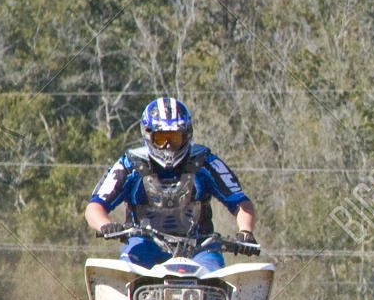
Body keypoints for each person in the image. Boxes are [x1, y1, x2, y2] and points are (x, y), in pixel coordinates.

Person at [85, 97, 256, 269]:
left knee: (217, 278)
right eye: (161, 138)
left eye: (174, 138)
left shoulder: (206, 163)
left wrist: (245, 231)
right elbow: (95, 206)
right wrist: (105, 226)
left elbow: (241, 202)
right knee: (122, 276)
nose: (167, 146)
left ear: (187, 135)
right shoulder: (129, 166)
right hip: (143, 246)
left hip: (200, 246)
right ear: (147, 134)